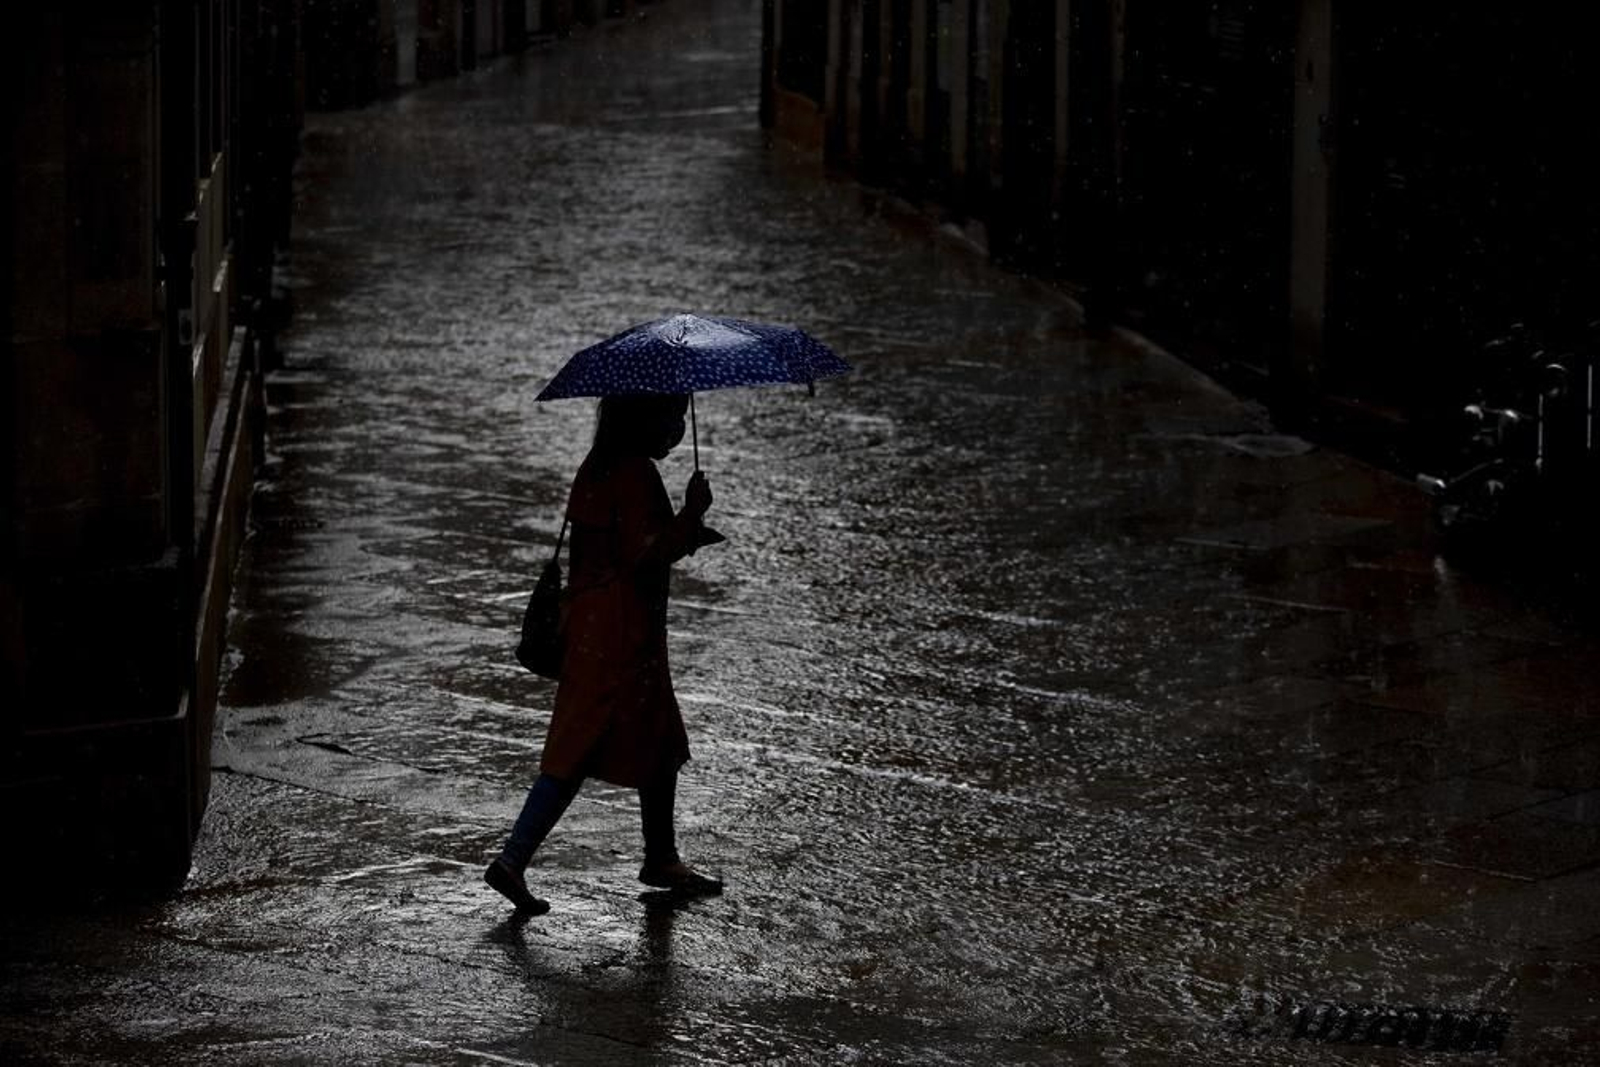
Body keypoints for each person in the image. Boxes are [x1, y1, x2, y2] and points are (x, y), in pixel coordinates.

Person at [485, 393, 724, 914]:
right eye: (670, 418)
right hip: (622, 639)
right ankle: (514, 859)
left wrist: (682, 526)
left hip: (591, 629)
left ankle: (660, 856)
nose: (677, 429)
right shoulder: (636, 473)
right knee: (578, 751)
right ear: (644, 420)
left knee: (653, 739)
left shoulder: (595, 465)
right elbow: (646, 552)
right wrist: (691, 516)